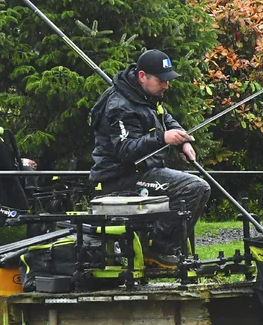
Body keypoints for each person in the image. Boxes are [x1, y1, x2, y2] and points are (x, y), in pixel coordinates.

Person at [88, 49, 211, 268]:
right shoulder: (119, 106)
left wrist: (183, 141)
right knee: (195, 188)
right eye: (161, 81)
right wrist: (162, 138)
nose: (166, 86)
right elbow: (125, 150)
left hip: (143, 172)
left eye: (168, 80)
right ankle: (158, 249)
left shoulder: (146, 96)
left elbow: (166, 119)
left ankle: (162, 246)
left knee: (197, 187)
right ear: (142, 76)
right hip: (120, 178)